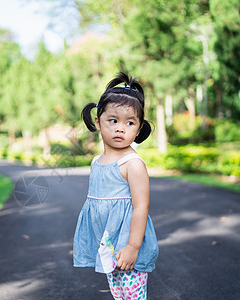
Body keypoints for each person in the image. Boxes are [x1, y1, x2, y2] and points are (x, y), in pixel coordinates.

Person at [73, 72, 159, 300]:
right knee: (119, 293)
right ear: (98, 122)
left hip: (128, 244)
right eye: (113, 120)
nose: (121, 128)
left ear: (139, 129)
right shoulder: (96, 162)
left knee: (132, 294)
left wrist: (132, 246)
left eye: (129, 122)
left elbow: (141, 208)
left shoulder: (132, 164)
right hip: (109, 246)